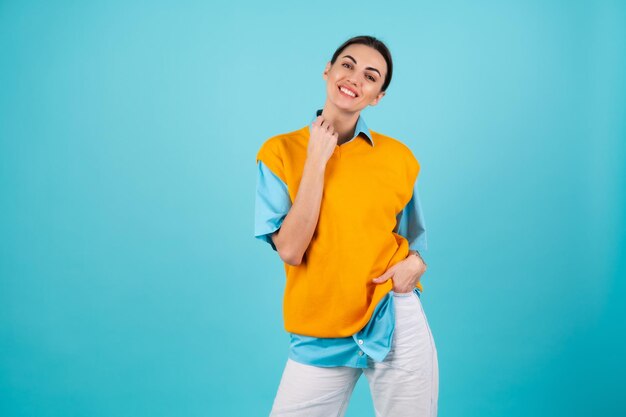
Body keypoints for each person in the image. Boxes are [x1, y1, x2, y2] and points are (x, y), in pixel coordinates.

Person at [254, 35, 438, 417]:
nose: (355, 78)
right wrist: (317, 159)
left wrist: (415, 266)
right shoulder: (280, 152)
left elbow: (413, 237)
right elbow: (290, 250)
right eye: (348, 65)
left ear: (377, 97)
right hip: (319, 328)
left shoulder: (399, 158)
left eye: (371, 76)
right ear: (328, 71)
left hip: (392, 314)